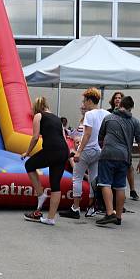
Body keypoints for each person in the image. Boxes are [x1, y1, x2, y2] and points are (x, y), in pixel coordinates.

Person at [60, 88, 110, 220]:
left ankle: (75, 208)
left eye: (84, 101)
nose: (83, 104)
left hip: (87, 149)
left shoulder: (89, 115)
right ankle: (91, 207)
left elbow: (87, 134)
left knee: (77, 177)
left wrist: (78, 152)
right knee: (94, 178)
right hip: (99, 150)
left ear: (89, 100)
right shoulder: (105, 113)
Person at [96, 96, 140, 226]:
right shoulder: (135, 121)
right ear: (131, 108)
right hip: (124, 157)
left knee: (105, 183)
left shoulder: (108, 118)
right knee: (120, 186)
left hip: (108, 154)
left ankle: (109, 213)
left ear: (120, 104)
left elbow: (100, 138)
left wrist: (104, 147)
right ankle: (118, 216)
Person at [21, 97, 69, 225]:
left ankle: (41, 194)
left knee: (29, 164)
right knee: (55, 185)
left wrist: (27, 152)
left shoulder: (38, 116)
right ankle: (51, 218)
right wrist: (68, 154)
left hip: (52, 150)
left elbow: (35, 137)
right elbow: (64, 138)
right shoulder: (57, 119)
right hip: (63, 151)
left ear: (37, 107)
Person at [108, 92, 139, 201]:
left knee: (128, 169)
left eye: (119, 98)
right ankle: (117, 194)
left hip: (125, 148)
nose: (117, 99)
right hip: (114, 149)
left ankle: (132, 190)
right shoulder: (109, 113)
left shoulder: (130, 118)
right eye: (115, 98)